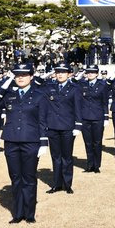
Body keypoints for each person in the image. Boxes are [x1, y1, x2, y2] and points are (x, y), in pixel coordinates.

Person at [0, 64, 48, 224]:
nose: (20, 77)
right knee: (15, 178)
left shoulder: (39, 95)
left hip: (31, 141)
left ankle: (29, 214)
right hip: (11, 141)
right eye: (17, 75)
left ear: (31, 77)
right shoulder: (9, 95)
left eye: (24, 74)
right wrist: (7, 81)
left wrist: (44, 142)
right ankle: (18, 213)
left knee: (29, 178)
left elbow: (43, 120)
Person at [43, 62, 82, 194]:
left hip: (67, 127)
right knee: (55, 156)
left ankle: (67, 183)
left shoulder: (74, 88)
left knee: (67, 156)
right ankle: (56, 184)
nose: (60, 74)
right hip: (53, 126)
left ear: (69, 74)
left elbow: (78, 108)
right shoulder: (49, 87)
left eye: (63, 72)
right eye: (58, 72)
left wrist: (78, 125)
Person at [78, 65, 108, 173]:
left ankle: (97, 165)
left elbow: (104, 102)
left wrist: (106, 117)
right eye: (88, 72)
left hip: (97, 117)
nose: (90, 74)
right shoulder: (82, 84)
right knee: (88, 142)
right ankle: (89, 164)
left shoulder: (103, 85)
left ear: (97, 73)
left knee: (97, 142)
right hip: (85, 117)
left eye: (92, 72)